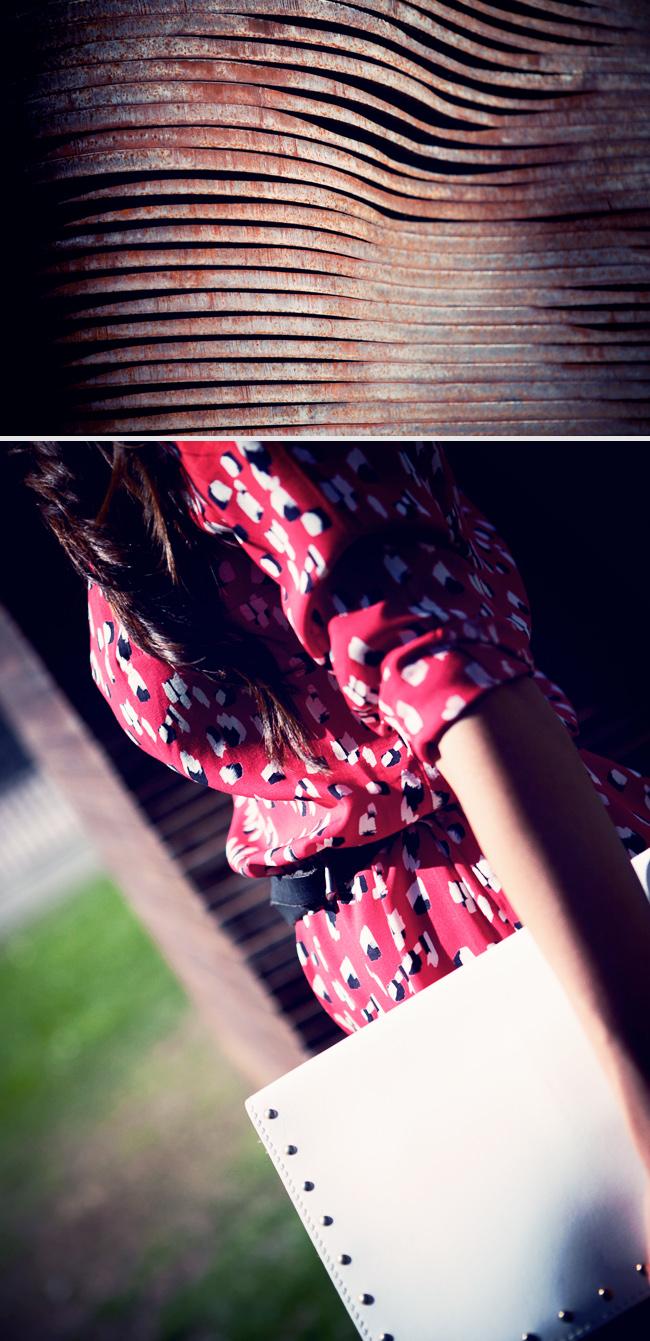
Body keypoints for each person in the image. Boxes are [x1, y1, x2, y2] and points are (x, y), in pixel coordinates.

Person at [24, 440, 650, 1265]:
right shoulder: (96, 468)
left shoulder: (228, 393)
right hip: (387, 978)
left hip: (526, 919)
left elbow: (452, 684)